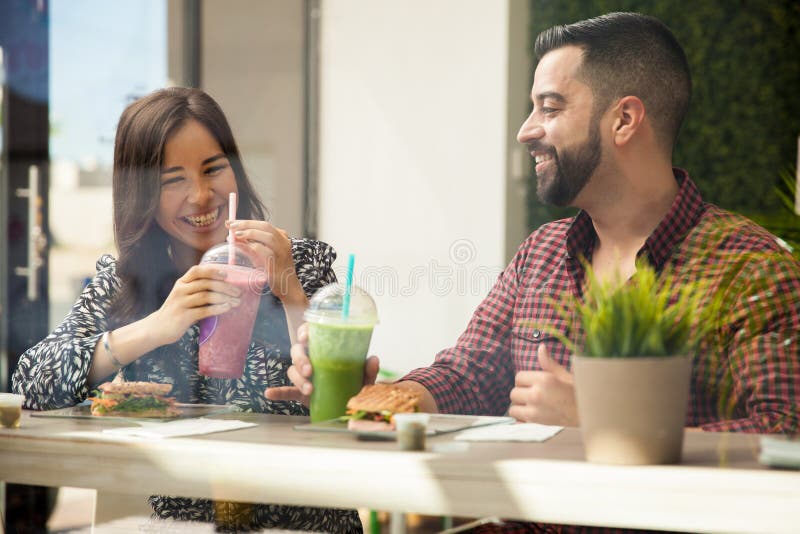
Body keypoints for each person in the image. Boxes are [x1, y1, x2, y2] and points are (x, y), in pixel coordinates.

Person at [269, 11, 800, 530]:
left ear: (624, 119)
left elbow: (785, 439)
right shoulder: (541, 254)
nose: (526, 131)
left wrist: (608, 424)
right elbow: (469, 372)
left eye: (550, 108)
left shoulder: (750, 268)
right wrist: (384, 400)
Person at [12, 87, 362, 532]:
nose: (200, 195)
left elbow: (342, 401)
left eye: (214, 169)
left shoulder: (300, 263)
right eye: (172, 180)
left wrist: (290, 290)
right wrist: (156, 327)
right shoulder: (125, 284)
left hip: (310, 523)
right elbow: (31, 385)